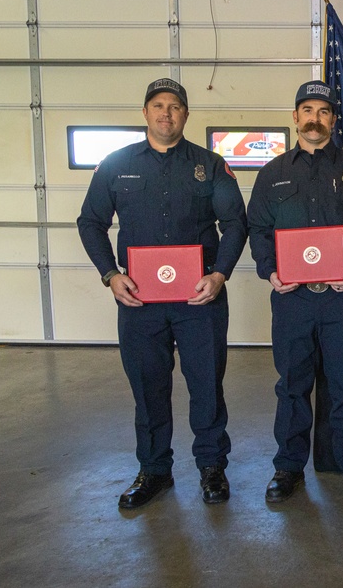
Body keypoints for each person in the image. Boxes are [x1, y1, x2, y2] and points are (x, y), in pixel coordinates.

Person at [77, 78, 248, 509]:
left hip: (199, 299)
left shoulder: (210, 165)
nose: (166, 113)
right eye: (158, 105)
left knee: (206, 385)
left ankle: (212, 468)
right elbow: (90, 223)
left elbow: (236, 224)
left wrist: (220, 275)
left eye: (175, 106)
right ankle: (154, 471)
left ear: (186, 114)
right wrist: (110, 275)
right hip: (139, 302)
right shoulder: (115, 165)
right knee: (148, 388)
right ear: (145, 113)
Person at [246, 80, 343, 503]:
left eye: (323, 111)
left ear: (334, 119)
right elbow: (259, 230)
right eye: (307, 110)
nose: (315, 118)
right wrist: (270, 272)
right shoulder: (273, 174)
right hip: (293, 300)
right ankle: (288, 467)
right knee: (292, 386)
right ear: (295, 117)